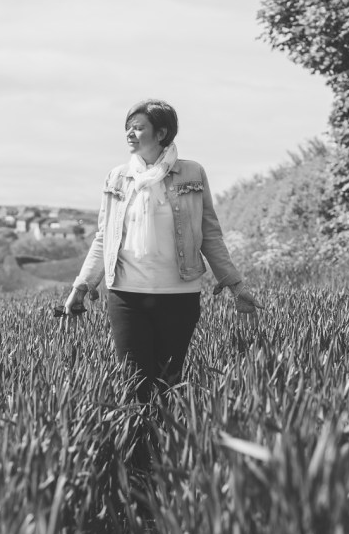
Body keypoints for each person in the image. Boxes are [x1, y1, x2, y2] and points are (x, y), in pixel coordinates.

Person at [63, 99, 259, 402]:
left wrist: (235, 283)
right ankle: (136, 448)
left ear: (162, 133)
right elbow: (104, 238)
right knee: (133, 384)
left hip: (179, 297)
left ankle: (165, 446)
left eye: (139, 127)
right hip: (127, 295)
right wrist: (82, 284)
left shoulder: (192, 173)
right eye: (128, 127)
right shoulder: (117, 177)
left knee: (168, 384)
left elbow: (209, 233)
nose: (130, 133)